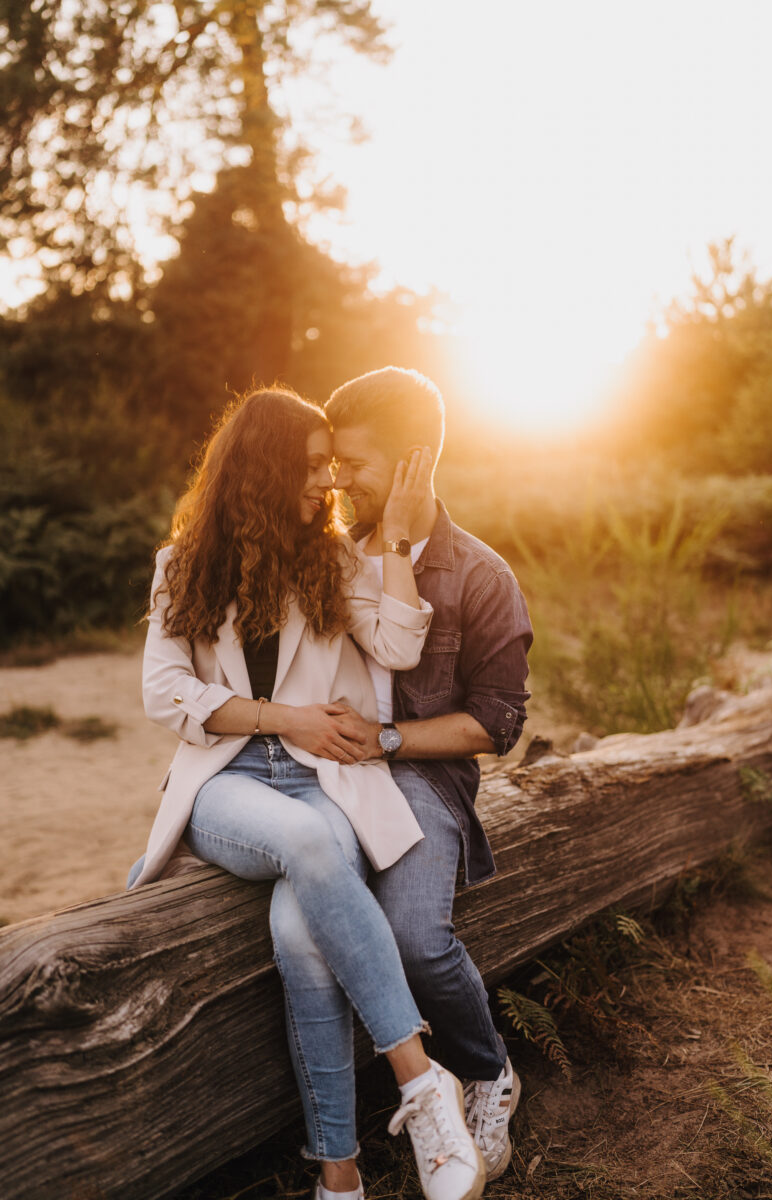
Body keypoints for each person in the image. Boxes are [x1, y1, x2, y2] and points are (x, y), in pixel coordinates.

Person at [127, 386, 487, 1200]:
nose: (327, 482)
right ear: (259, 470)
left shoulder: (329, 559)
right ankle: (423, 1080)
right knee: (310, 844)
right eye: (312, 465)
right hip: (228, 785)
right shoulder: (180, 565)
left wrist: (394, 540)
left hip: (323, 780)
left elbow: (397, 641)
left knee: (301, 933)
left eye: (331, 464)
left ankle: (339, 1175)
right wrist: (282, 716)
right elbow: (164, 692)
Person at [301, 366, 532, 1183]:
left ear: (412, 462)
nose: (337, 481)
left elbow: (497, 723)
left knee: (414, 938)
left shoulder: (481, 576)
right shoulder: (323, 555)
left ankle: (486, 1069)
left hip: (423, 779)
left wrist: (388, 741)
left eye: (354, 464)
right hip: (320, 774)